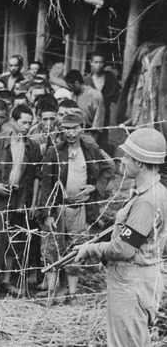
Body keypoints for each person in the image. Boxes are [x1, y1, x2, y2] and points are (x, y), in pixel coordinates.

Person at [74, 128, 167, 347]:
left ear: (140, 163)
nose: (122, 161)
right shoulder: (158, 192)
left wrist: (91, 250)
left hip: (131, 281)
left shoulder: (145, 202)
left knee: (125, 342)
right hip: (144, 277)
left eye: (127, 157)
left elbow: (125, 248)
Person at [37, 110, 113, 304]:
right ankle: (51, 295)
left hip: (80, 209)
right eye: (66, 129)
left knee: (75, 249)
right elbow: (46, 184)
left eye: (74, 129)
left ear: (82, 129)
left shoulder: (90, 149)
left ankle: (71, 294)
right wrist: (46, 213)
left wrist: (94, 187)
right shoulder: (54, 151)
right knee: (52, 250)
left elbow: (108, 168)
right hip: (58, 209)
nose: (70, 133)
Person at [0, 105, 41, 295]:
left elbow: (37, 176)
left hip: (21, 198)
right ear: (13, 121)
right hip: (0, 196)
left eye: (30, 123)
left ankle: (7, 280)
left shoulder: (32, 146)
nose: (26, 126)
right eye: (23, 122)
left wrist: (33, 203)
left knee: (16, 239)